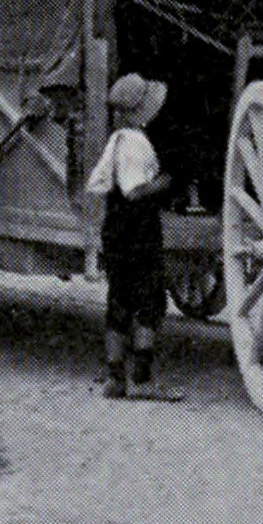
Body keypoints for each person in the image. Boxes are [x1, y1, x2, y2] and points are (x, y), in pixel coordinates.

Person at [84, 73, 182, 401]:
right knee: (149, 300)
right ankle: (141, 378)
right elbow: (134, 191)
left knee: (119, 298)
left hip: (114, 227)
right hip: (138, 227)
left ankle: (115, 377)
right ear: (140, 111)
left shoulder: (115, 140)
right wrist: (165, 181)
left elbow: (98, 183)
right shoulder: (137, 142)